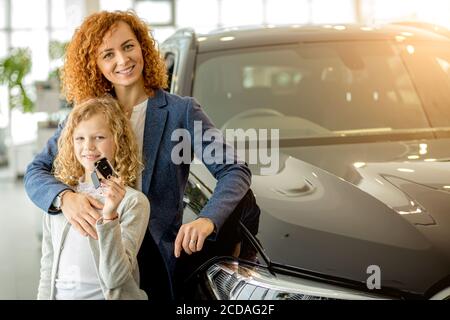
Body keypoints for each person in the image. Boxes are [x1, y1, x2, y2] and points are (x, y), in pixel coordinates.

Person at [25, 10, 251, 299]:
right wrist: (65, 198)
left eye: (128, 46)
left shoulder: (181, 112)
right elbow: (36, 171)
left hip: (156, 260)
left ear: (142, 47)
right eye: (108, 54)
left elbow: (234, 170)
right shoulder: (87, 115)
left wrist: (207, 219)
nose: (122, 60)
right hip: (95, 260)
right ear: (95, 65)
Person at [37, 96, 150, 300]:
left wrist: (109, 216)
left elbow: (115, 278)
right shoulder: (60, 199)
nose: (88, 146)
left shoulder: (133, 202)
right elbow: (47, 268)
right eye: (80, 138)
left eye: (99, 137)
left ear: (118, 141)